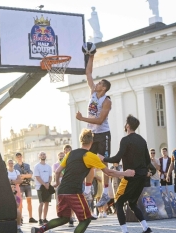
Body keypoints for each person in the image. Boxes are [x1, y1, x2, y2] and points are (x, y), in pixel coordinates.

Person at [31, 128, 135, 233]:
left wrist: (57, 182)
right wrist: (125, 173)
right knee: (86, 220)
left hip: (62, 191)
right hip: (74, 192)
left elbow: (57, 172)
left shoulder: (70, 154)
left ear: (81, 141)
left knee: (64, 218)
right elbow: (108, 172)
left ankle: (40, 230)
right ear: (92, 142)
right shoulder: (89, 155)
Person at [99, 114, 153, 233]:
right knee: (132, 203)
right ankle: (146, 227)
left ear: (127, 126)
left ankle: (125, 231)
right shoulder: (142, 140)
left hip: (130, 177)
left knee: (118, 203)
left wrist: (103, 158)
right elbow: (148, 161)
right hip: (141, 177)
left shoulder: (125, 140)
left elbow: (117, 158)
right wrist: (149, 171)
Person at [76, 53, 112, 207]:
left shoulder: (107, 101)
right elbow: (88, 73)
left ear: (103, 88)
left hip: (103, 133)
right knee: (89, 162)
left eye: (99, 84)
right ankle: (88, 190)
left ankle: (105, 193)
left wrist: (83, 119)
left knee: (103, 163)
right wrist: (91, 56)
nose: (95, 84)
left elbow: (99, 120)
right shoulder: (92, 93)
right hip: (91, 134)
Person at [14, 152, 38, 223]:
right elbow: (17, 176)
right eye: (18, 157)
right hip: (20, 186)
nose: (19, 158)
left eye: (20, 156)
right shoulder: (15, 167)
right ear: (16, 158)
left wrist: (23, 176)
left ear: (22, 157)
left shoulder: (27, 165)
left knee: (29, 201)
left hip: (27, 185)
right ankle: (20, 217)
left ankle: (30, 217)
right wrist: (25, 175)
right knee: (20, 202)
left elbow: (30, 175)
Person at [34, 152, 53, 226]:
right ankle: (40, 219)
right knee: (41, 203)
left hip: (47, 186)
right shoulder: (37, 166)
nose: (43, 155)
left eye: (44, 154)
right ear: (39, 156)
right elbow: (37, 177)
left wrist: (48, 183)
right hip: (40, 187)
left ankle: (45, 218)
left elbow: (50, 176)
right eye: (41, 154)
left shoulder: (48, 166)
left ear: (46, 156)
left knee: (47, 203)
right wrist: (44, 184)